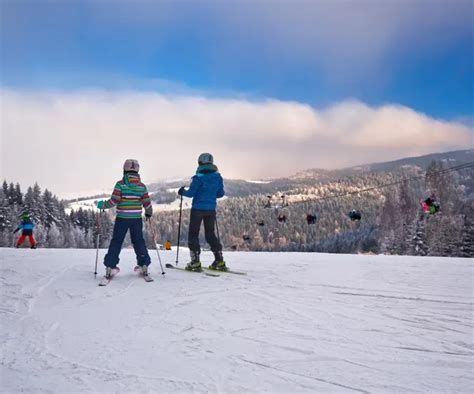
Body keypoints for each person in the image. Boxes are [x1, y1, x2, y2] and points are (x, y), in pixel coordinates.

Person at [96, 159, 153, 278]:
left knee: (117, 241)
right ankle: (144, 265)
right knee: (138, 241)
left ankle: (110, 267)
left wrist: (103, 205)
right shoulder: (142, 186)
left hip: (122, 218)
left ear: (124, 170)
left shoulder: (120, 184)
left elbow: (113, 201)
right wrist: (148, 213)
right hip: (136, 219)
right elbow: (147, 203)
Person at [178, 152, 226, 271]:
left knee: (193, 234)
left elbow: (191, 193)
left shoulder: (198, 178)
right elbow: (220, 194)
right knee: (210, 234)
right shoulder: (218, 177)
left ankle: (195, 261)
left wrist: (182, 191)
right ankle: (219, 260)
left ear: (200, 163)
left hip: (198, 209)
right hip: (211, 209)